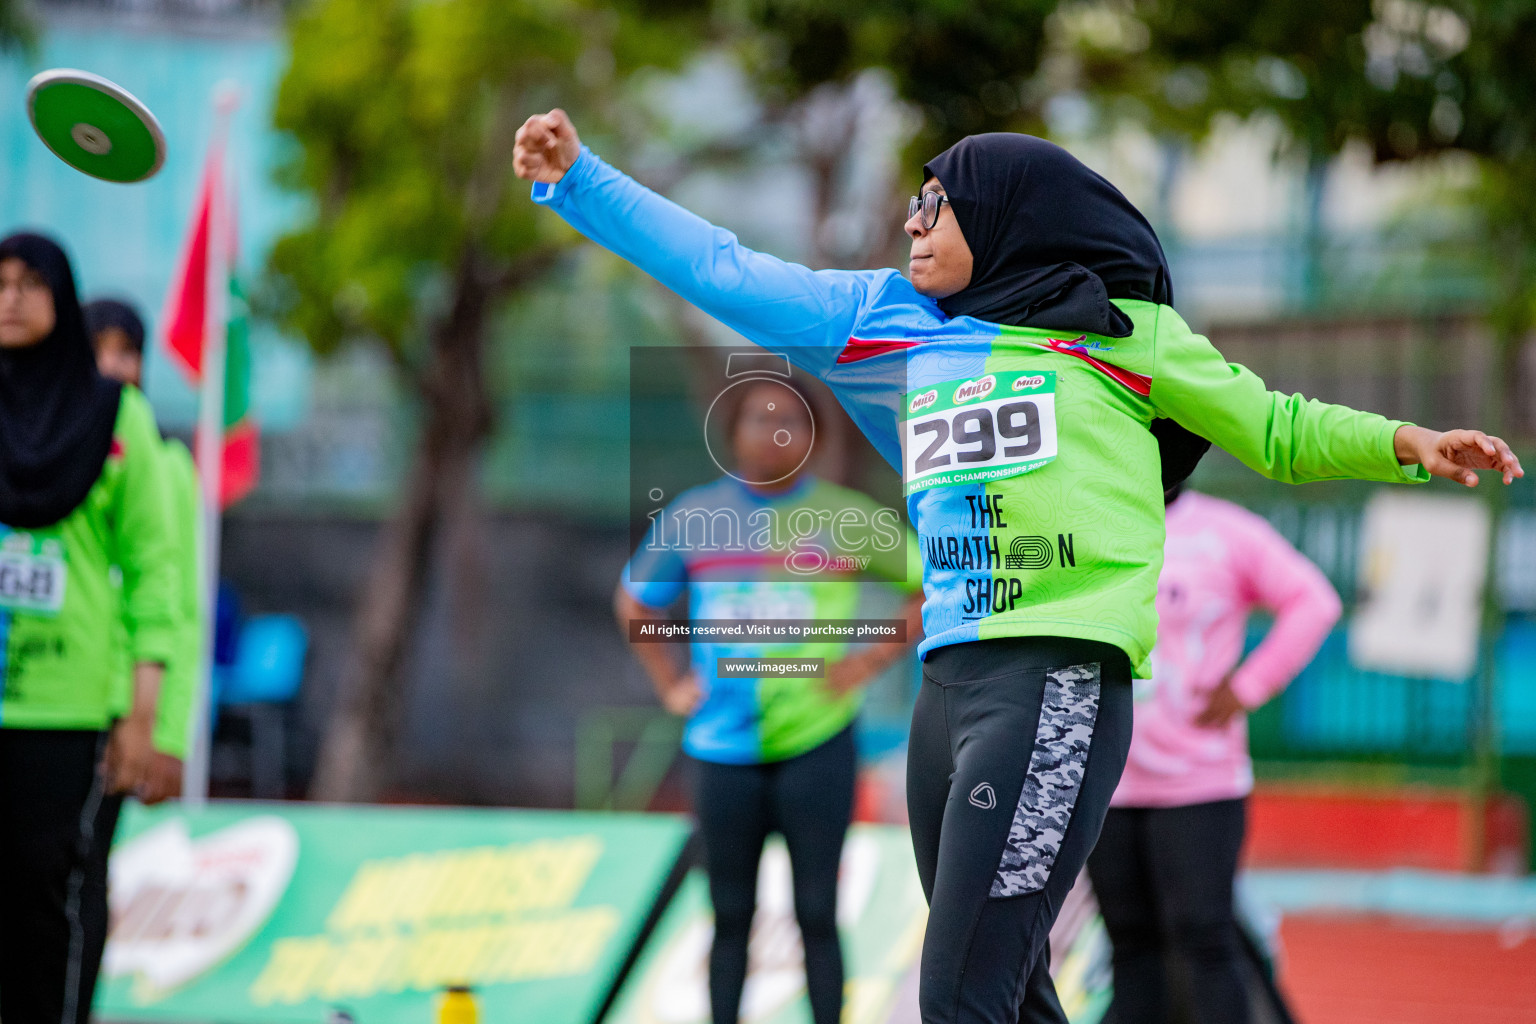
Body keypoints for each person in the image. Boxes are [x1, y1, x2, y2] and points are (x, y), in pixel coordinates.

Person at [516, 112, 1523, 1024]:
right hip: (945, 695)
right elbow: (726, 270)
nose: (911, 223)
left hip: (1058, 682)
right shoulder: (890, 327)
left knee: (958, 999)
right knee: (1012, 995)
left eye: (934, 204)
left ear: (1004, 216)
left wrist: (1405, 439)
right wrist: (580, 180)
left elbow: (1277, 426)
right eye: (910, 203)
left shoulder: (1124, 337)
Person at [618, 372, 924, 1024]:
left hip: (818, 742)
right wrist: (671, 684)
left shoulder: (844, 518)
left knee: (817, 910)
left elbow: (928, 585)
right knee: (729, 914)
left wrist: (868, 659)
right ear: (732, 432)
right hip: (721, 748)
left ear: (812, 438)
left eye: (791, 419)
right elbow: (635, 602)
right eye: (760, 417)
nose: (775, 431)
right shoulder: (695, 517)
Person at [0, 233, 179, 1023]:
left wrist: (144, 717)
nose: (9, 298)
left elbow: (156, 573)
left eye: (29, 283)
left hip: (66, 709)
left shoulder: (115, 416)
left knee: (52, 902)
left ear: (60, 297)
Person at [1086, 483, 1340, 1024]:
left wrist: (1249, 686)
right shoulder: (1087, 519)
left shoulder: (1226, 532)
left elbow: (1315, 602)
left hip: (1198, 782)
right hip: (1105, 781)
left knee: (1203, 938)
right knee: (1130, 947)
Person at [82, 296, 202, 1011]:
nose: (118, 365)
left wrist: (162, 728)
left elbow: (176, 607)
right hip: (39, 694)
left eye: (130, 351)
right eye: (102, 348)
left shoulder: (165, 465)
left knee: (83, 872)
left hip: (120, 708)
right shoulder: (32, 441)